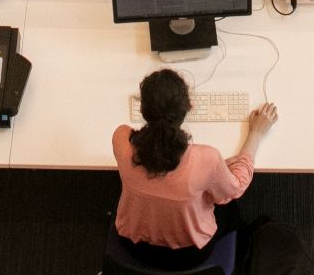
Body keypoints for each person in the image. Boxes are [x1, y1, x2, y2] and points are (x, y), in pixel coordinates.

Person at [112, 69, 278, 270]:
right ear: (189, 108)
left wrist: (210, 171)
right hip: (189, 254)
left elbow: (158, 163)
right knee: (228, 205)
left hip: (135, 246)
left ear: (142, 109)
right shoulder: (206, 159)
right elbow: (236, 187)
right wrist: (256, 133)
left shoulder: (121, 139)